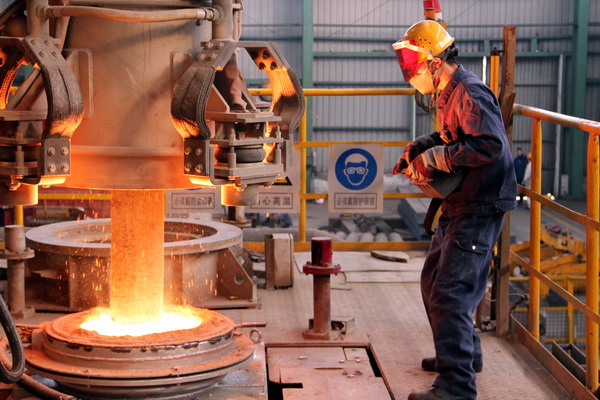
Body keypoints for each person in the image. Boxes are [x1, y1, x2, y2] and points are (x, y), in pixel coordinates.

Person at [391, 20, 517, 400]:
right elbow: (456, 135)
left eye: (414, 63)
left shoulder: (470, 91)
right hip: (461, 201)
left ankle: (456, 386)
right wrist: (424, 145)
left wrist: (438, 158)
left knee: (451, 292)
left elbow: (490, 144)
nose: (411, 72)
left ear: (434, 61)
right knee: (433, 281)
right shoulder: (449, 92)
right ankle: (463, 356)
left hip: (480, 204)